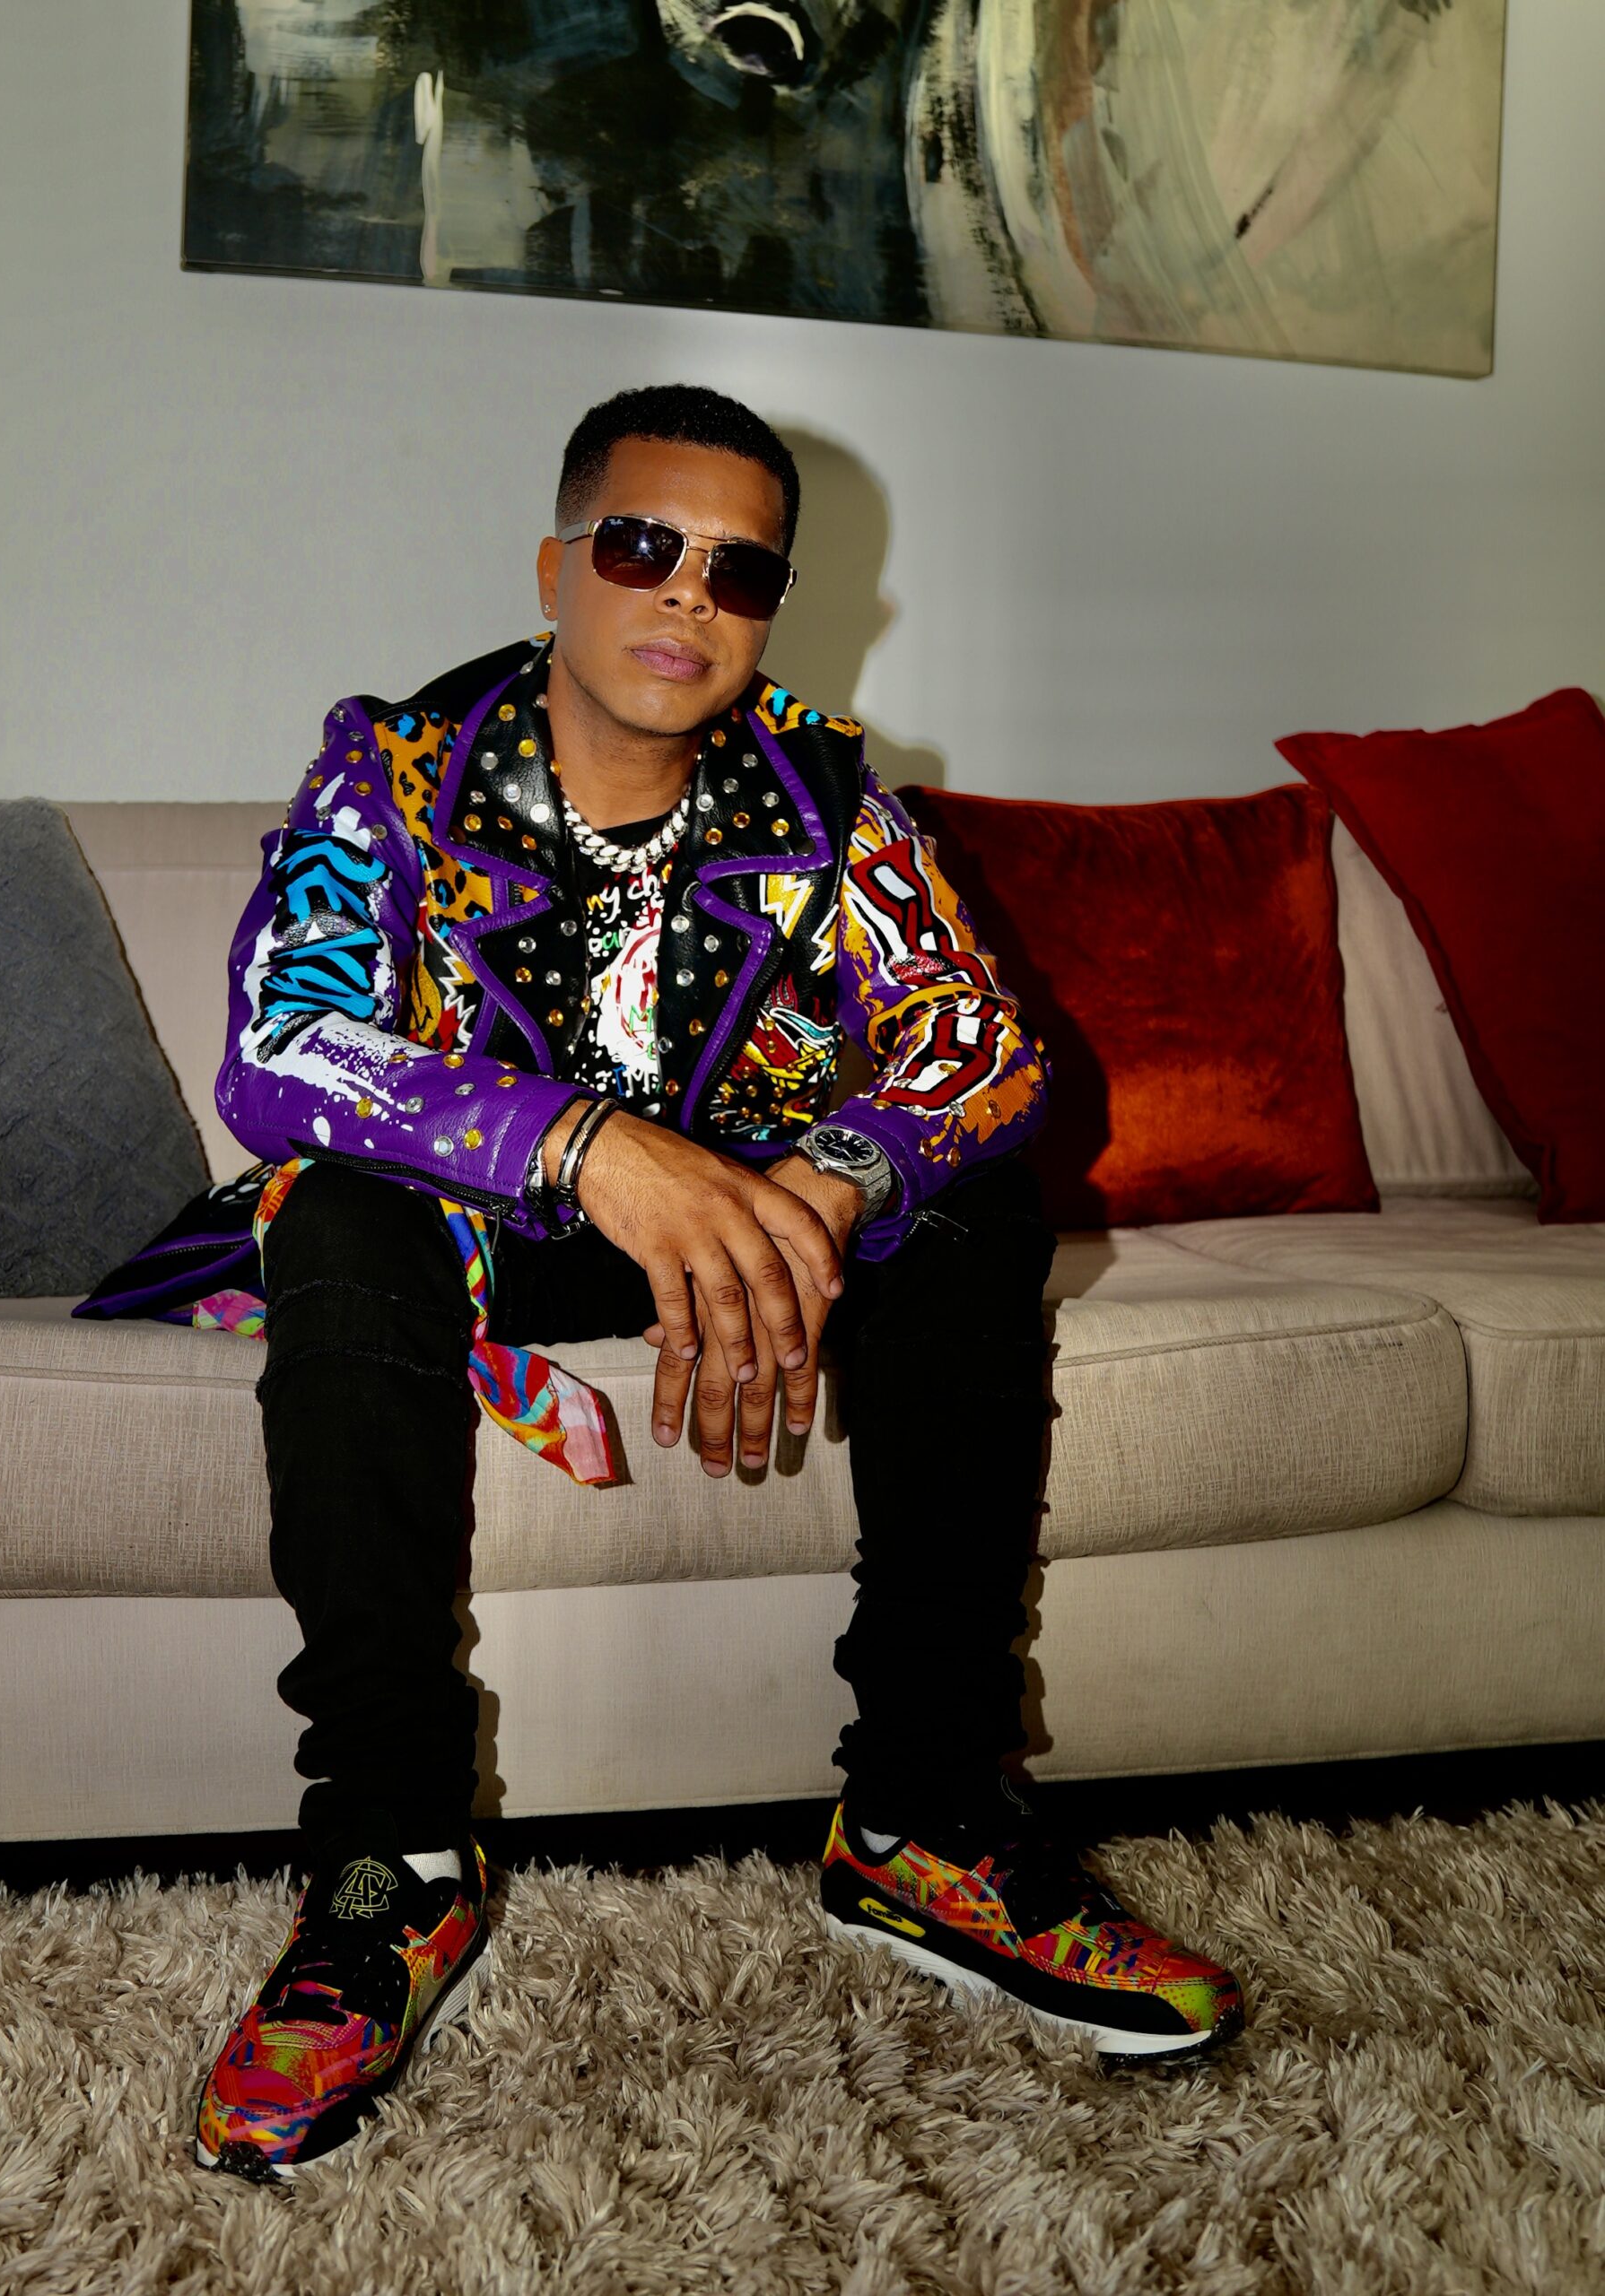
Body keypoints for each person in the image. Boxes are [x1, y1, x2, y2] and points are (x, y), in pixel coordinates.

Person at [122, 385, 1243, 2183]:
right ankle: (393, 1858)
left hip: (741, 1212)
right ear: (555, 566)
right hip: (485, 1226)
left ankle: (925, 1818)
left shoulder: (825, 793)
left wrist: (828, 1179)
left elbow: (978, 1044)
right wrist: (587, 1147)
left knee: (973, 1208)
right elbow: (284, 1049)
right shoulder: (394, 773)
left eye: (741, 571)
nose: (685, 596)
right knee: (333, 1212)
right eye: (644, 546)